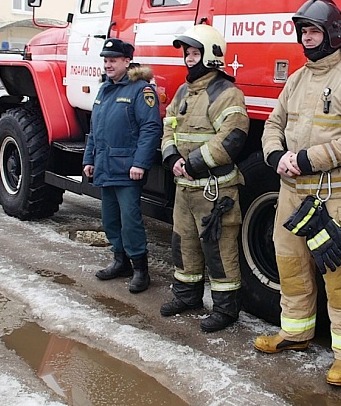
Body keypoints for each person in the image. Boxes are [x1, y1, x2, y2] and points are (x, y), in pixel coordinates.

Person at [254, 0, 341, 386]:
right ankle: (295, 333)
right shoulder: (297, 78)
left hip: (334, 199)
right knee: (290, 268)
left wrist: (307, 159)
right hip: (291, 195)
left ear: (333, 33)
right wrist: (275, 155)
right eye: (303, 30)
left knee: (339, 279)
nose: (307, 38)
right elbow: (273, 124)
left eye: (314, 30)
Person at [159, 24, 249, 333]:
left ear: (211, 56)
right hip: (185, 188)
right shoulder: (184, 90)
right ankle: (187, 297)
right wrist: (172, 158)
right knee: (183, 244)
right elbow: (169, 125)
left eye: (194, 53)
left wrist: (193, 164)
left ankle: (226, 310)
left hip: (215, 191)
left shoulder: (227, 92)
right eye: (186, 53)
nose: (188, 59)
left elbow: (233, 137)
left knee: (219, 251)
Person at [83, 38, 162, 294]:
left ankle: (140, 269)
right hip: (106, 165)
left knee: (130, 221)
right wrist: (88, 159)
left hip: (128, 169)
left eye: (113, 60)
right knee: (110, 219)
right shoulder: (105, 89)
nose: (108, 65)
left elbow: (150, 129)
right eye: (105, 60)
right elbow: (95, 129)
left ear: (127, 62)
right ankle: (120, 261)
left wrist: (140, 163)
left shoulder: (141, 90)